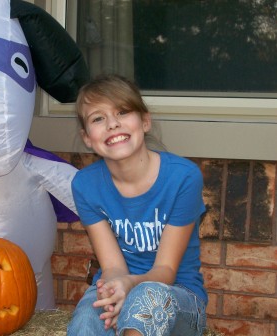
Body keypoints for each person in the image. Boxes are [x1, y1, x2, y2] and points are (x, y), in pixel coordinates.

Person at [67, 74, 207, 336]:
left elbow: (165, 270)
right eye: (98, 118)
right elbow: (112, 267)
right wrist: (118, 288)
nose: (113, 124)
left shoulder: (183, 178)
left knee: (146, 299)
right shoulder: (85, 185)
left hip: (177, 295)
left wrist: (130, 286)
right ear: (87, 137)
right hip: (116, 284)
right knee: (87, 319)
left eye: (122, 111)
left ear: (145, 121)